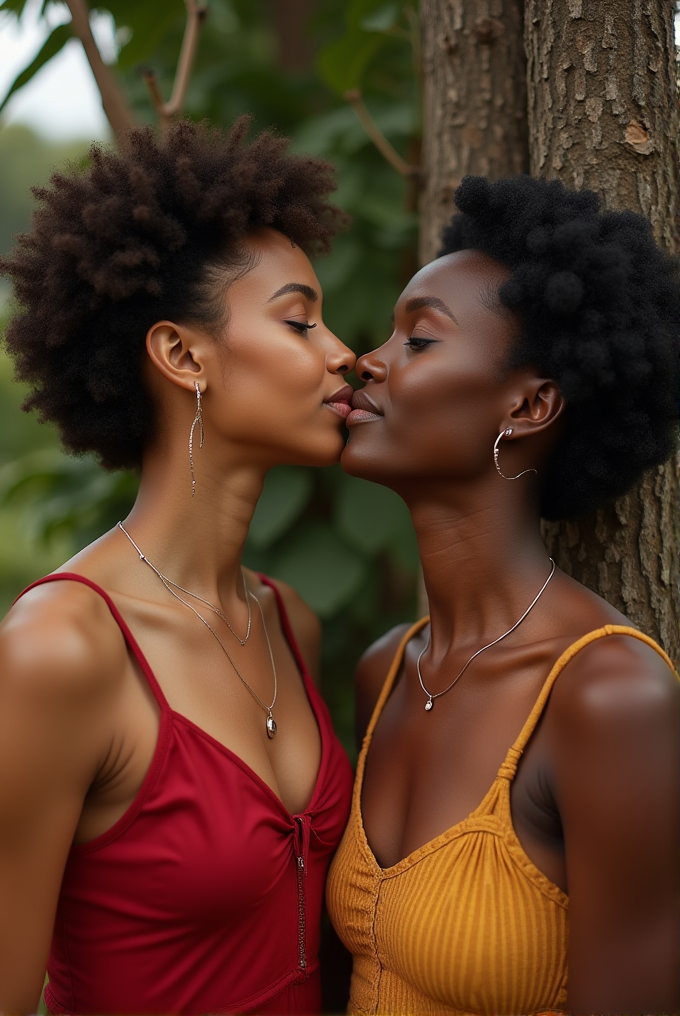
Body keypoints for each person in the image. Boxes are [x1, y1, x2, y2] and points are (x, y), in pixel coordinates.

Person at [0, 117, 356, 1016]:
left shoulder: (288, 621)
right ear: (182, 355)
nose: (342, 353)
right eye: (300, 321)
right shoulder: (59, 652)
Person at [327, 175, 680, 1015]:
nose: (362, 361)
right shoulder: (387, 673)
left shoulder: (607, 698)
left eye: (419, 342)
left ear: (526, 406)